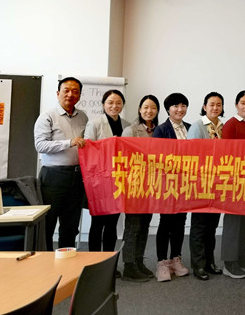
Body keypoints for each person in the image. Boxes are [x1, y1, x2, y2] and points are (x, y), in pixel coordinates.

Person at [34, 77, 88, 251]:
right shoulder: (47, 117)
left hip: (77, 177)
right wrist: (68, 142)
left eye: (75, 91)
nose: (70, 94)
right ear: (58, 93)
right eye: (66, 90)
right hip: (53, 177)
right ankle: (46, 263)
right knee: (48, 224)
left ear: (79, 95)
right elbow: (40, 145)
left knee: (71, 226)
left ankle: (67, 261)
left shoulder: (83, 117)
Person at [84, 89, 129, 257]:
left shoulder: (126, 125)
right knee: (98, 223)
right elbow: (88, 151)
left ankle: (108, 262)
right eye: (110, 102)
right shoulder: (95, 123)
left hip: (118, 181)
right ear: (103, 104)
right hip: (99, 182)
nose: (114, 106)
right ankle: (94, 261)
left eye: (118, 103)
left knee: (112, 223)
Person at [119, 94, 160, 282]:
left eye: (153, 108)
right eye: (145, 107)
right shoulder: (130, 130)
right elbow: (124, 158)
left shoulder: (158, 131)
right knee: (133, 226)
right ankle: (128, 266)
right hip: (135, 185)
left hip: (151, 186)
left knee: (144, 225)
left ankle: (138, 261)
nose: (149, 111)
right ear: (139, 109)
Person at [152, 92, 191, 282]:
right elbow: (156, 157)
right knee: (165, 223)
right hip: (167, 183)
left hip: (186, 183)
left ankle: (176, 259)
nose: (180, 109)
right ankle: (162, 263)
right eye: (176, 106)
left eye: (183, 105)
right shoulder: (161, 130)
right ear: (168, 109)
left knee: (180, 222)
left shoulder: (190, 128)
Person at [186, 92, 226, 280]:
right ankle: (198, 265)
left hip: (218, 183)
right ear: (204, 107)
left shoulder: (223, 127)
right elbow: (191, 154)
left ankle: (210, 262)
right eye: (212, 104)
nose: (215, 108)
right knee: (199, 226)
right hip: (201, 183)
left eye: (219, 105)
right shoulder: (197, 126)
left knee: (212, 226)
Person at [221, 90, 245, 279]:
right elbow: (226, 153)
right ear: (236, 105)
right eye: (242, 103)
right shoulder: (231, 124)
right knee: (233, 222)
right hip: (234, 180)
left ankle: (240, 257)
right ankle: (229, 262)